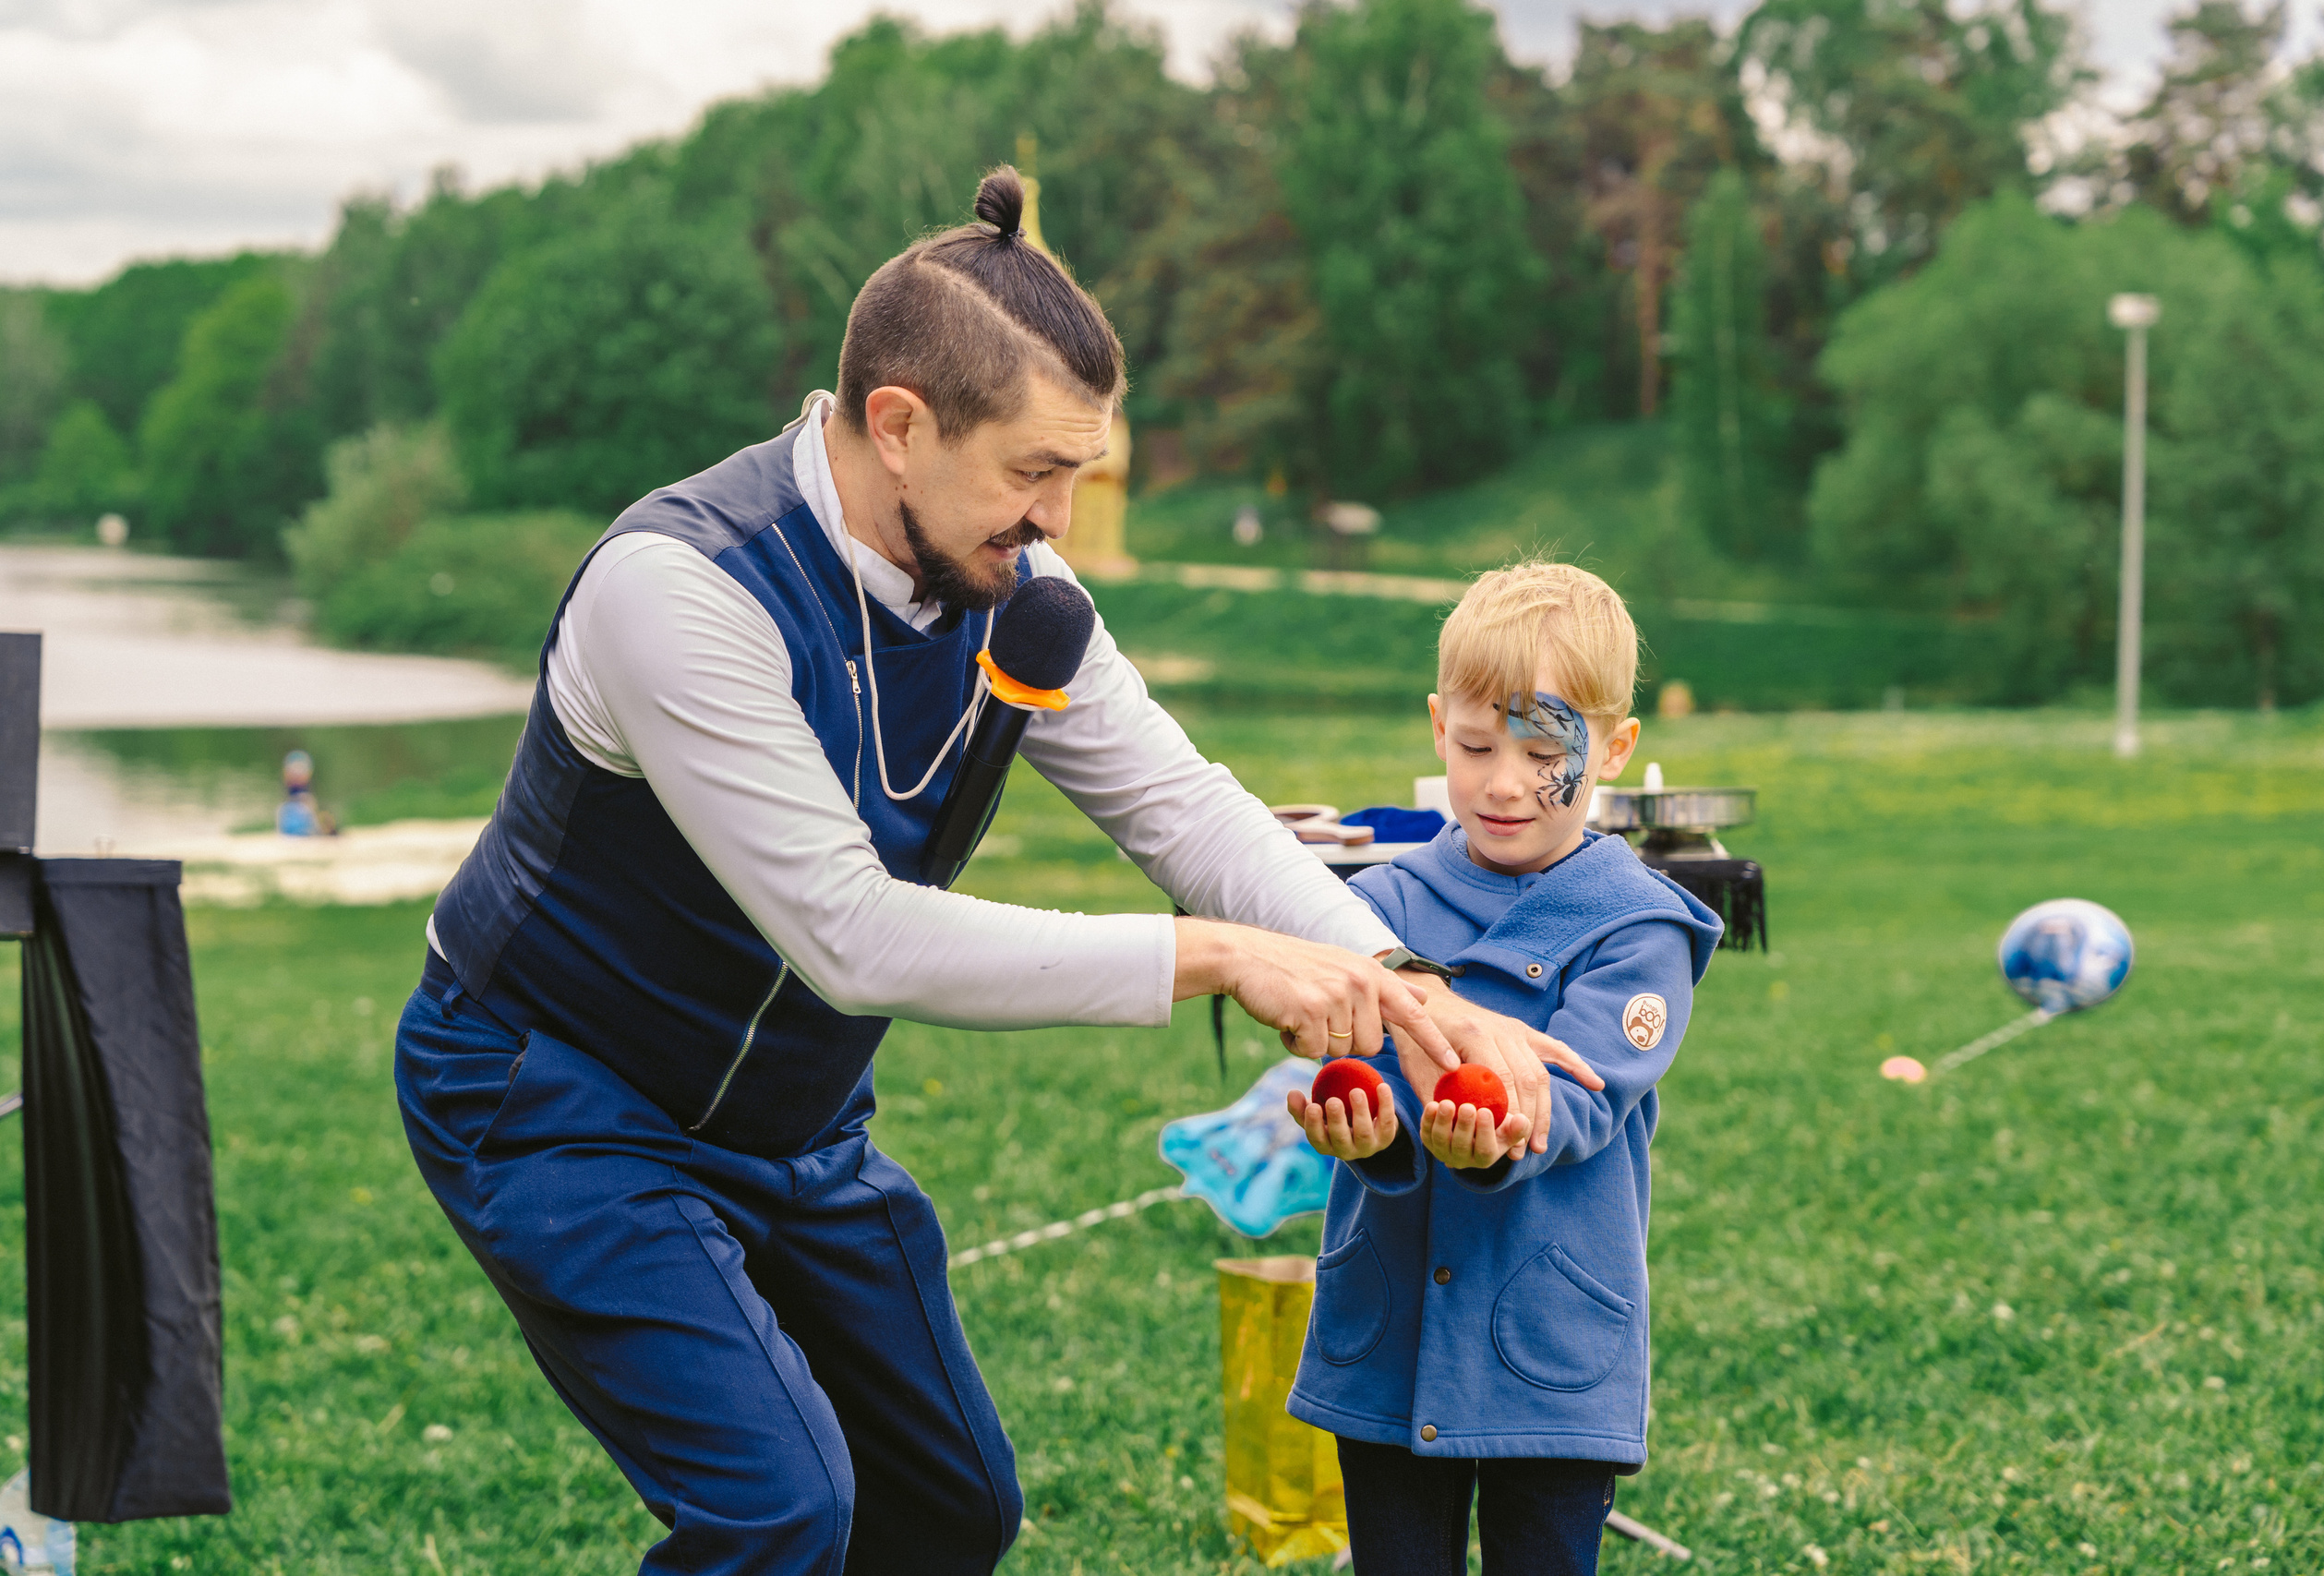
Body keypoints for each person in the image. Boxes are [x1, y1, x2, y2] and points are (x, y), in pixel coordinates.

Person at [393, 168, 1598, 1576]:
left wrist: (1406, 985)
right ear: (899, 425)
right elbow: (847, 932)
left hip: (792, 1121)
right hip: (561, 1097)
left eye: (1078, 471)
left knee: (952, 1504)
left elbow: (1185, 809)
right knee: (779, 1511)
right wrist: (1215, 957)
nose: (1063, 521)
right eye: (1035, 471)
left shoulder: (1015, 599)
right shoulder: (679, 588)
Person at [1282, 562, 1724, 1576]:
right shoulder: (1377, 907)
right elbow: (1359, 1060)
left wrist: (1488, 1139)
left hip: (1549, 1351)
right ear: (1439, 726)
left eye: (1542, 751)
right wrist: (1376, 1129)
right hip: (1387, 1336)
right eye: (1476, 746)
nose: (1503, 782)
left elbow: (1583, 1094)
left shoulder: (1639, 928)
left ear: (1612, 750)